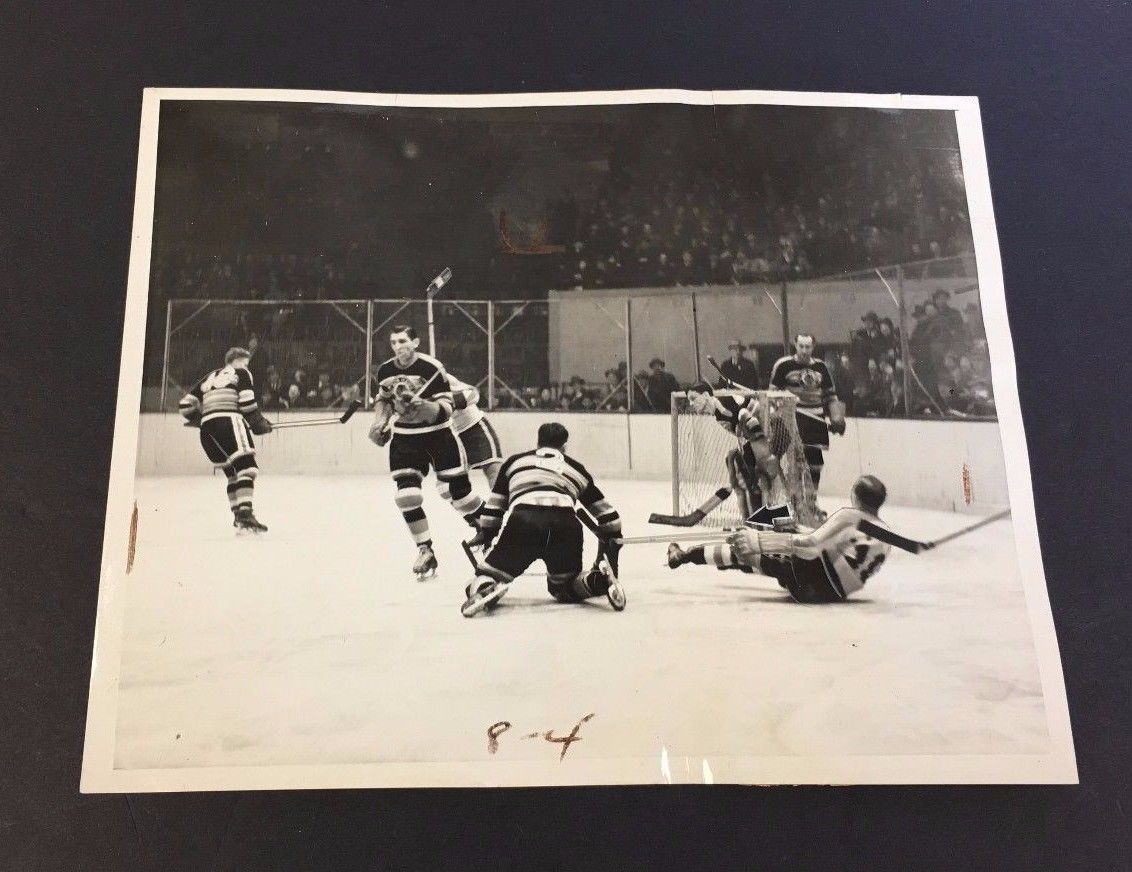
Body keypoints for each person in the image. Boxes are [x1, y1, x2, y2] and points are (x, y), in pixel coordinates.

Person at [461, 423, 625, 617]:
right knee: (565, 588)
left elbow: (495, 506)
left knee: (488, 574)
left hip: (524, 521)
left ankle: (486, 587)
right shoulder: (576, 469)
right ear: (564, 447)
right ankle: (596, 581)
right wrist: (611, 541)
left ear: (538, 442)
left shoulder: (515, 462)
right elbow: (610, 518)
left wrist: (487, 533)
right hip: (566, 525)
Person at [368, 326, 484, 581]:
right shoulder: (386, 370)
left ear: (416, 342)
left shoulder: (432, 368)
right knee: (406, 495)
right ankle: (425, 549)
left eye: (403, 341)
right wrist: (380, 423)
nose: (398, 346)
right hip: (406, 439)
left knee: (460, 496)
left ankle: (488, 527)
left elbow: (446, 407)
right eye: (394, 342)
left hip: (439, 436)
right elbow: (384, 399)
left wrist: (425, 408)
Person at [666, 475, 892, 603]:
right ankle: (699, 556)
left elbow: (813, 546)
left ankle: (684, 556)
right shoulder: (885, 534)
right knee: (767, 559)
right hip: (832, 592)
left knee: (748, 554)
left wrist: (758, 540)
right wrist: (798, 529)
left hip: (810, 582)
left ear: (856, 496)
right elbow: (833, 547)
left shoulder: (849, 516)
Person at [178, 346, 272, 533]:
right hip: (229, 422)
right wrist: (258, 422)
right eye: (245, 362)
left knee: (232, 473)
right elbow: (246, 402)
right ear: (236, 360)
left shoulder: (209, 377)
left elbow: (185, 406)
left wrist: (203, 419)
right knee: (247, 467)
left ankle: (238, 516)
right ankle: (245, 514)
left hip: (207, 431)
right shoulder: (241, 372)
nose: (247, 366)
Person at [769, 333, 846, 517]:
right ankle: (795, 505)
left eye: (808, 347)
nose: (804, 350)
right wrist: (780, 410)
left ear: (813, 347)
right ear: (795, 345)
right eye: (801, 346)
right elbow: (772, 394)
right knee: (795, 464)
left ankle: (811, 504)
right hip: (793, 419)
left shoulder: (821, 367)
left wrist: (837, 418)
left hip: (816, 420)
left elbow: (830, 395)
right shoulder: (783, 365)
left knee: (815, 465)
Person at [685, 381, 788, 519]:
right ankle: (757, 518)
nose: (692, 404)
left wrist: (744, 421)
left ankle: (773, 515)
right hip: (761, 436)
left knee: (758, 475)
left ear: (705, 395)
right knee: (742, 469)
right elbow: (742, 434)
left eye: (693, 398)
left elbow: (753, 412)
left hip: (774, 432)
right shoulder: (719, 417)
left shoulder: (725, 400)